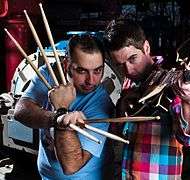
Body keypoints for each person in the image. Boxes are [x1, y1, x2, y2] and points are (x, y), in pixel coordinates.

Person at [103, 19, 190, 179]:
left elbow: (188, 138)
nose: (128, 69)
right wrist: (122, 106)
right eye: (120, 64)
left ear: (146, 47)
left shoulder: (172, 79)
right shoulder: (129, 81)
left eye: (132, 59)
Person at [14, 34, 115, 179]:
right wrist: (57, 118)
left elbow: (71, 166)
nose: (91, 81)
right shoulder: (49, 73)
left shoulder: (100, 102)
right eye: (82, 70)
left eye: (97, 70)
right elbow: (21, 111)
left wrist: (61, 110)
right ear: (66, 64)